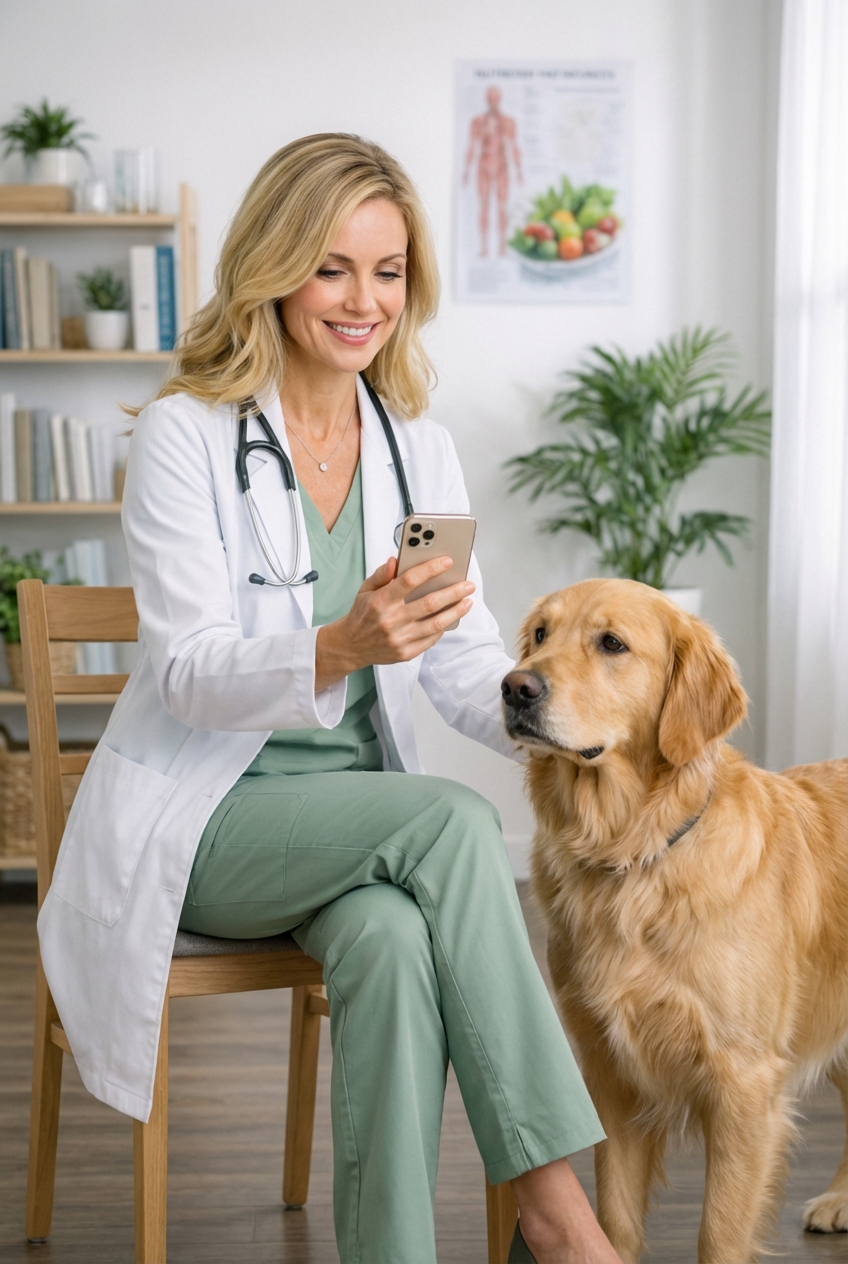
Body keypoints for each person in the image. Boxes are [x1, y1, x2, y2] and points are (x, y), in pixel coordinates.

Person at [38, 134, 622, 1264]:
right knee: (450, 823)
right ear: (274, 268)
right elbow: (185, 671)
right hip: (210, 817)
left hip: (359, 831)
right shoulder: (185, 435)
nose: (365, 302)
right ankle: (559, 1220)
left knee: (395, 943)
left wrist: (583, 737)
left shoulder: (420, 455)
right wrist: (335, 644)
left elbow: (458, 665)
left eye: (389, 271)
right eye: (333, 267)